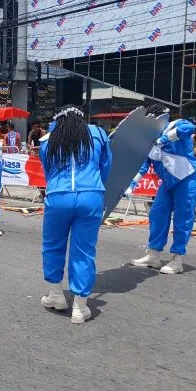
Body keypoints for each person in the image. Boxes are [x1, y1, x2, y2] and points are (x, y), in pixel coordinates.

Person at [39, 105, 112, 324]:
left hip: (58, 195)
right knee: (84, 251)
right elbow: (106, 166)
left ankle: (56, 294)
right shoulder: (98, 134)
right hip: (91, 196)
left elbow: (47, 171)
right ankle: (80, 307)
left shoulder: (48, 139)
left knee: (52, 245)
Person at [130, 106, 196, 274]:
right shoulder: (148, 138)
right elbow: (144, 165)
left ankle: (177, 259)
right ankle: (153, 255)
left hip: (188, 178)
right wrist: (131, 185)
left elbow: (190, 128)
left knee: (182, 217)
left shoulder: (176, 124)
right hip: (169, 182)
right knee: (157, 213)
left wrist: (164, 139)